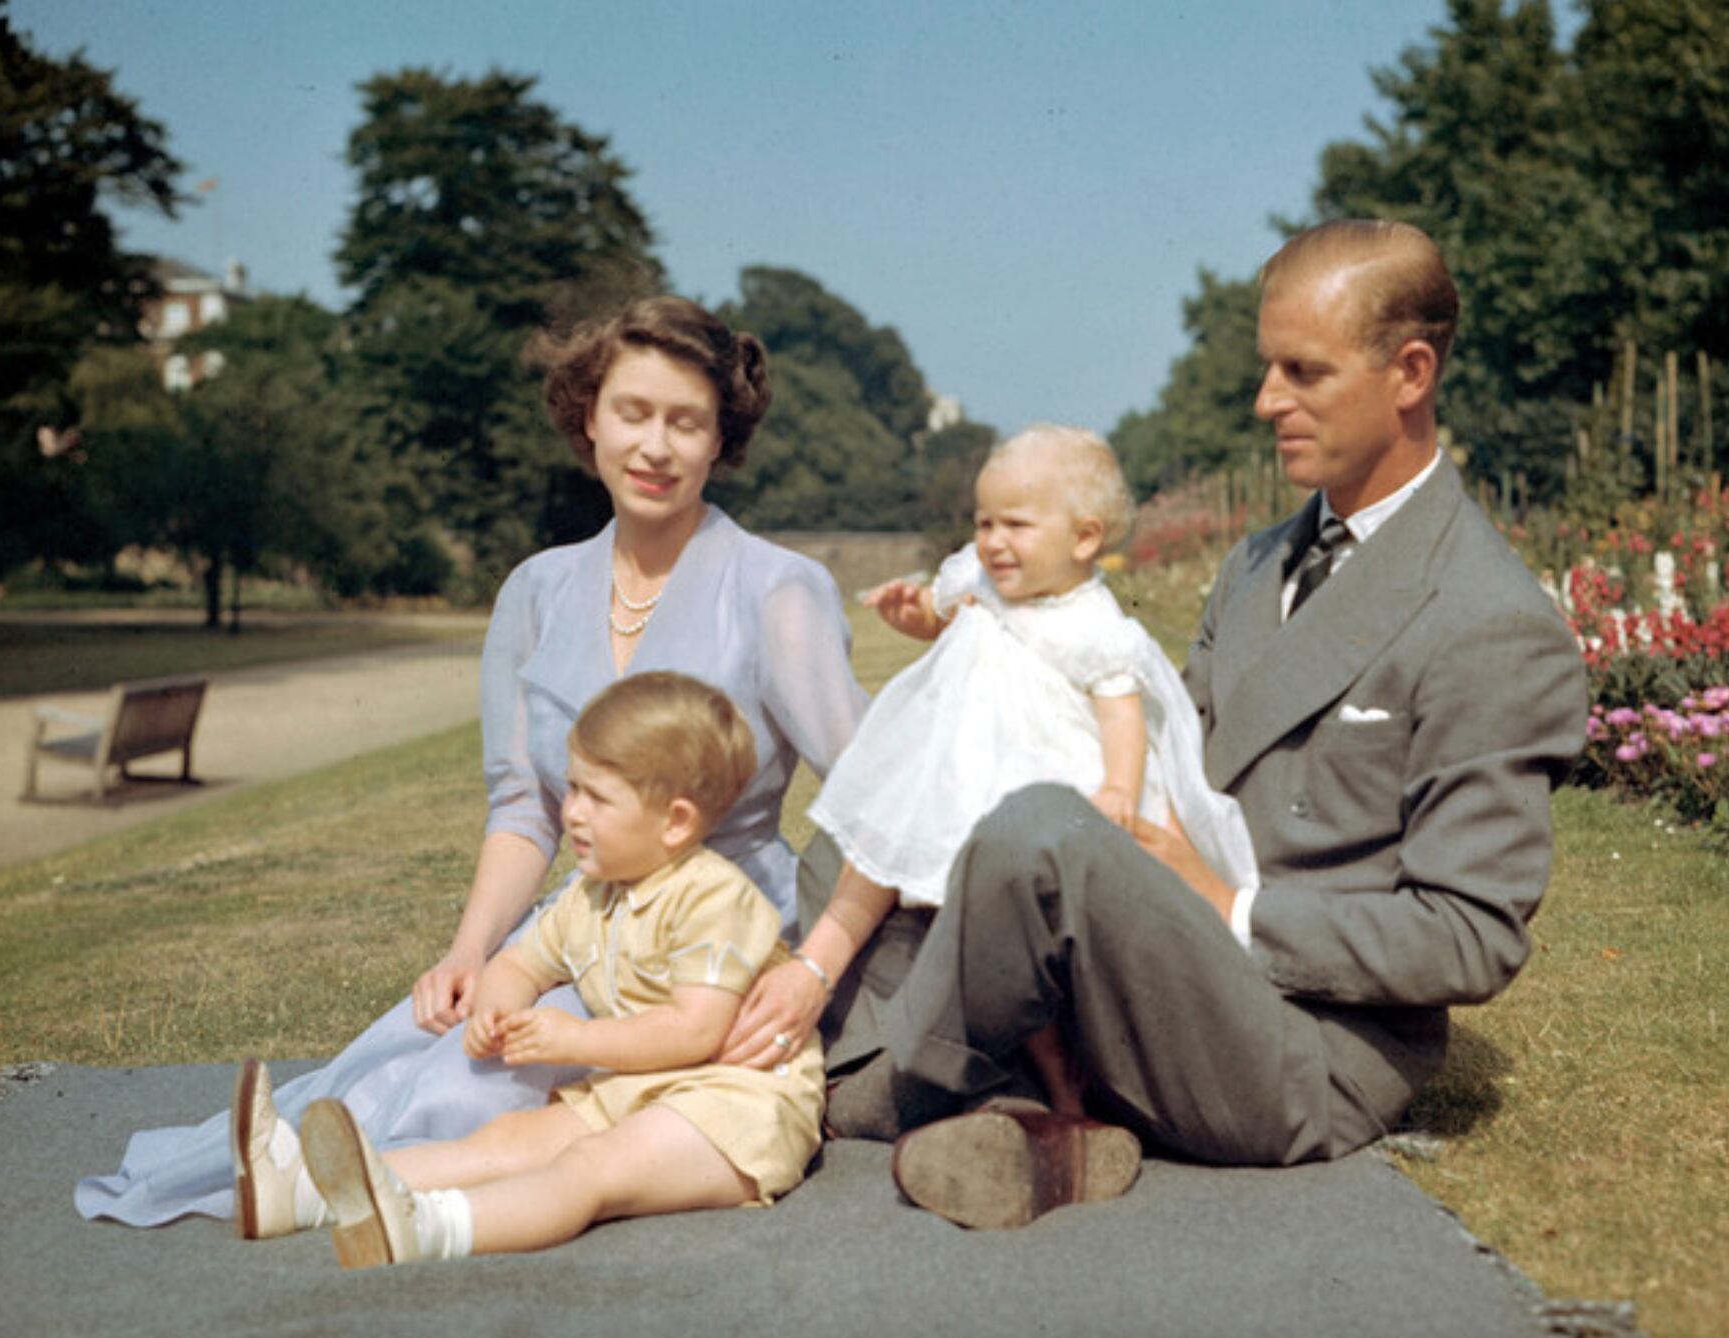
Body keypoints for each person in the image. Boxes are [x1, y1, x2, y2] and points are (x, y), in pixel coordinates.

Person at [826, 219, 1591, 1230]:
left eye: (1301, 372)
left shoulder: (1490, 620)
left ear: (1409, 373)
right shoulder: (1258, 563)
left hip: (1298, 1042)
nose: (1265, 400)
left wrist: (1226, 905)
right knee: (871, 819)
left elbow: (1468, 937)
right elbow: (1159, 752)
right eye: (1267, 367)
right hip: (1158, 951)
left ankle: (885, 1089)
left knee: (1031, 833)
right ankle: (1028, 1110)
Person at [76, 296, 867, 1232]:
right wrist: (468, 951)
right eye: (633, 413)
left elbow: (878, 806)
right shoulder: (535, 592)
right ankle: (298, 1178)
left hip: (715, 951)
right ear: (588, 418)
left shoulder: (778, 588)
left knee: (471, 1088)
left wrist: (813, 971)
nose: (655, 447)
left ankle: (354, 1198)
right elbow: (524, 808)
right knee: (428, 1040)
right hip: (582, 930)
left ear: (720, 438)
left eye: (685, 422)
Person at [288, 672, 824, 1266]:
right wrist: (499, 1003)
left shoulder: (713, 899)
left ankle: (428, 1228)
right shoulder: (592, 895)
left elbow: (694, 1029)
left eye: (597, 797)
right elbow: (523, 961)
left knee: (590, 1168)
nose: (571, 812)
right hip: (641, 1090)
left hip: (738, 1106)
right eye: (571, 788)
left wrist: (576, 1037)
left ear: (674, 821)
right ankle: (305, 1193)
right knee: (508, 1139)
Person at [804, 425, 1256, 1119]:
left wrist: (1118, 788)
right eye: (985, 522)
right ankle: (1011, 1066)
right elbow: (942, 610)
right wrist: (913, 615)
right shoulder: (979, 579)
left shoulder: (1094, 623)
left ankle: (1064, 1078)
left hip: (1047, 776)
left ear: (1083, 539)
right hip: (965, 769)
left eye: (1016, 524)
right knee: (961, 914)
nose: (993, 541)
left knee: (1029, 931)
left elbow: (1121, 715)